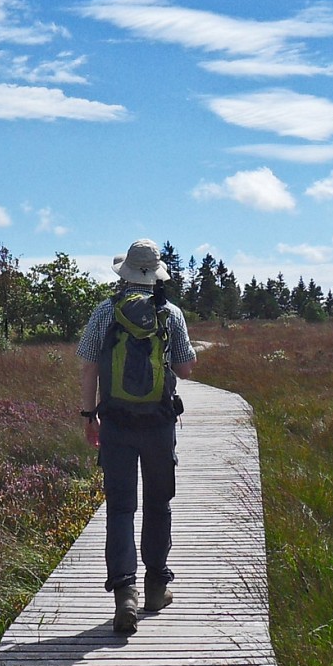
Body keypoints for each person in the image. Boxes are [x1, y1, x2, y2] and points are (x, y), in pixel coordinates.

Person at [77, 238, 196, 634]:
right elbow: (186, 368)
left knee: (120, 509)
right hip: (159, 424)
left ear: (125, 272)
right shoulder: (171, 313)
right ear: (155, 272)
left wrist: (88, 415)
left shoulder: (104, 312)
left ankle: (123, 596)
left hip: (116, 423)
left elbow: (88, 366)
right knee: (158, 505)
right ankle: (156, 588)